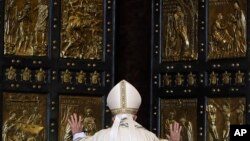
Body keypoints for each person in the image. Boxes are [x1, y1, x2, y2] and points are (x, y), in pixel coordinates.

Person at [68, 80, 182, 141]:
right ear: (135, 117)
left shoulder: (101, 136)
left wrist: (77, 133)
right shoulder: (149, 137)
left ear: (113, 119)